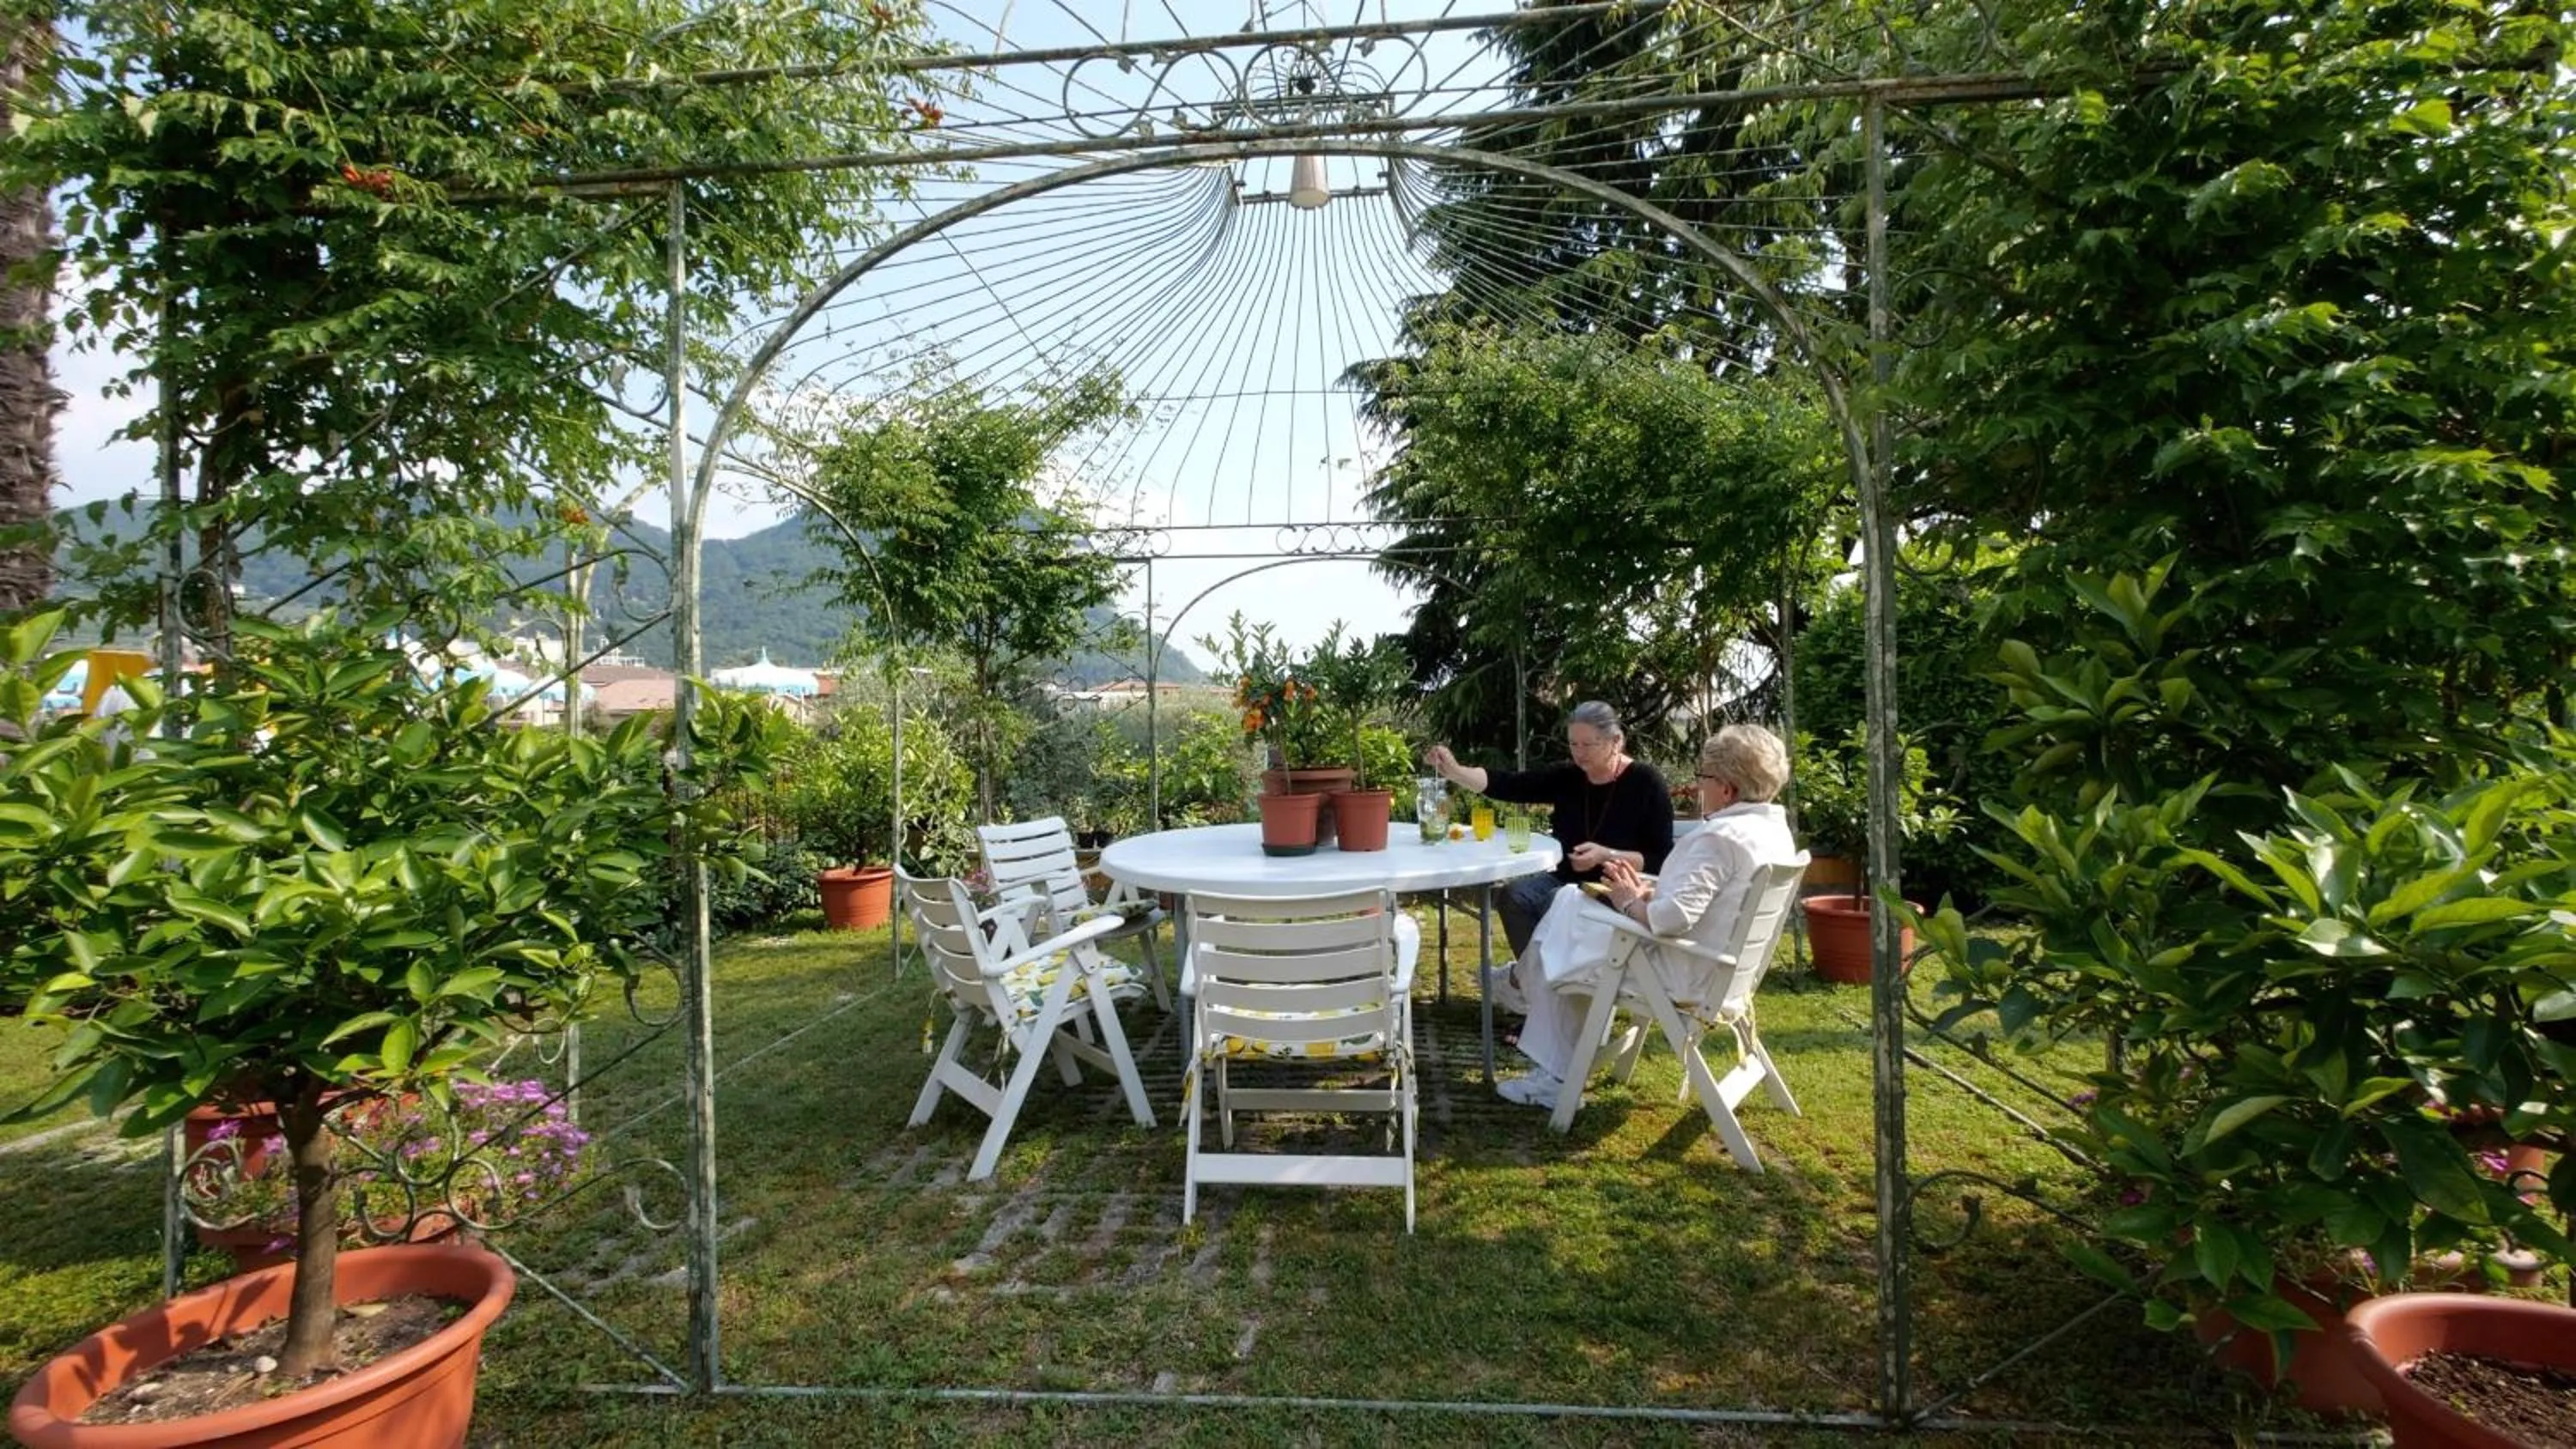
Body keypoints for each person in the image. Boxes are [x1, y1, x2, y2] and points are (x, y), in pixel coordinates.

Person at [1495, 724, 1798, 1110]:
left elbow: (1670, 920)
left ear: (1727, 787)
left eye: (1703, 777)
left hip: (1678, 973)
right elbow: (1712, 901)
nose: (1698, 786)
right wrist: (1647, 892)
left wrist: (1627, 901)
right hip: (1722, 971)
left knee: (1564, 925)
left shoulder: (1719, 838)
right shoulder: (1770, 830)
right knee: (1569, 914)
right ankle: (1521, 981)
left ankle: (1546, 1053)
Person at [1421, 700, 1673, 959]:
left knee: (1556, 901)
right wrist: (1455, 772)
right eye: (1573, 744)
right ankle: (1537, 978)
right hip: (1564, 879)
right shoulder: (1569, 776)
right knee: (1514, 896)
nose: (1579, 753)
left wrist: (1606, 855)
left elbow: (1661, 859)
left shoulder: (1646, 783)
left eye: (1588, 745)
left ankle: (1537, 980)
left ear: (1616, 741)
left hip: (1617, 890)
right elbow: (1510, 785)